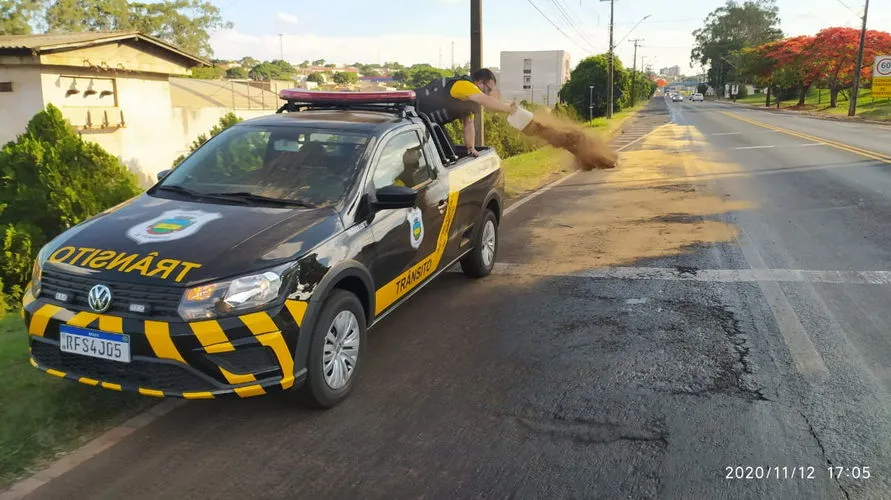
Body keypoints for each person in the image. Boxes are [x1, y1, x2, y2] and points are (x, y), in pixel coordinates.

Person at [413, 68, 516, 156]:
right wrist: (509, 109)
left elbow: (469, 124)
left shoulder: (469, 102)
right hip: (411, 115)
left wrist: (471, 148)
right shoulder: (464, 85)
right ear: (480, 83)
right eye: (488, 89)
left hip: (429, 123)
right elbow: (486, 100)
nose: (488, 93)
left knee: (448, 153)